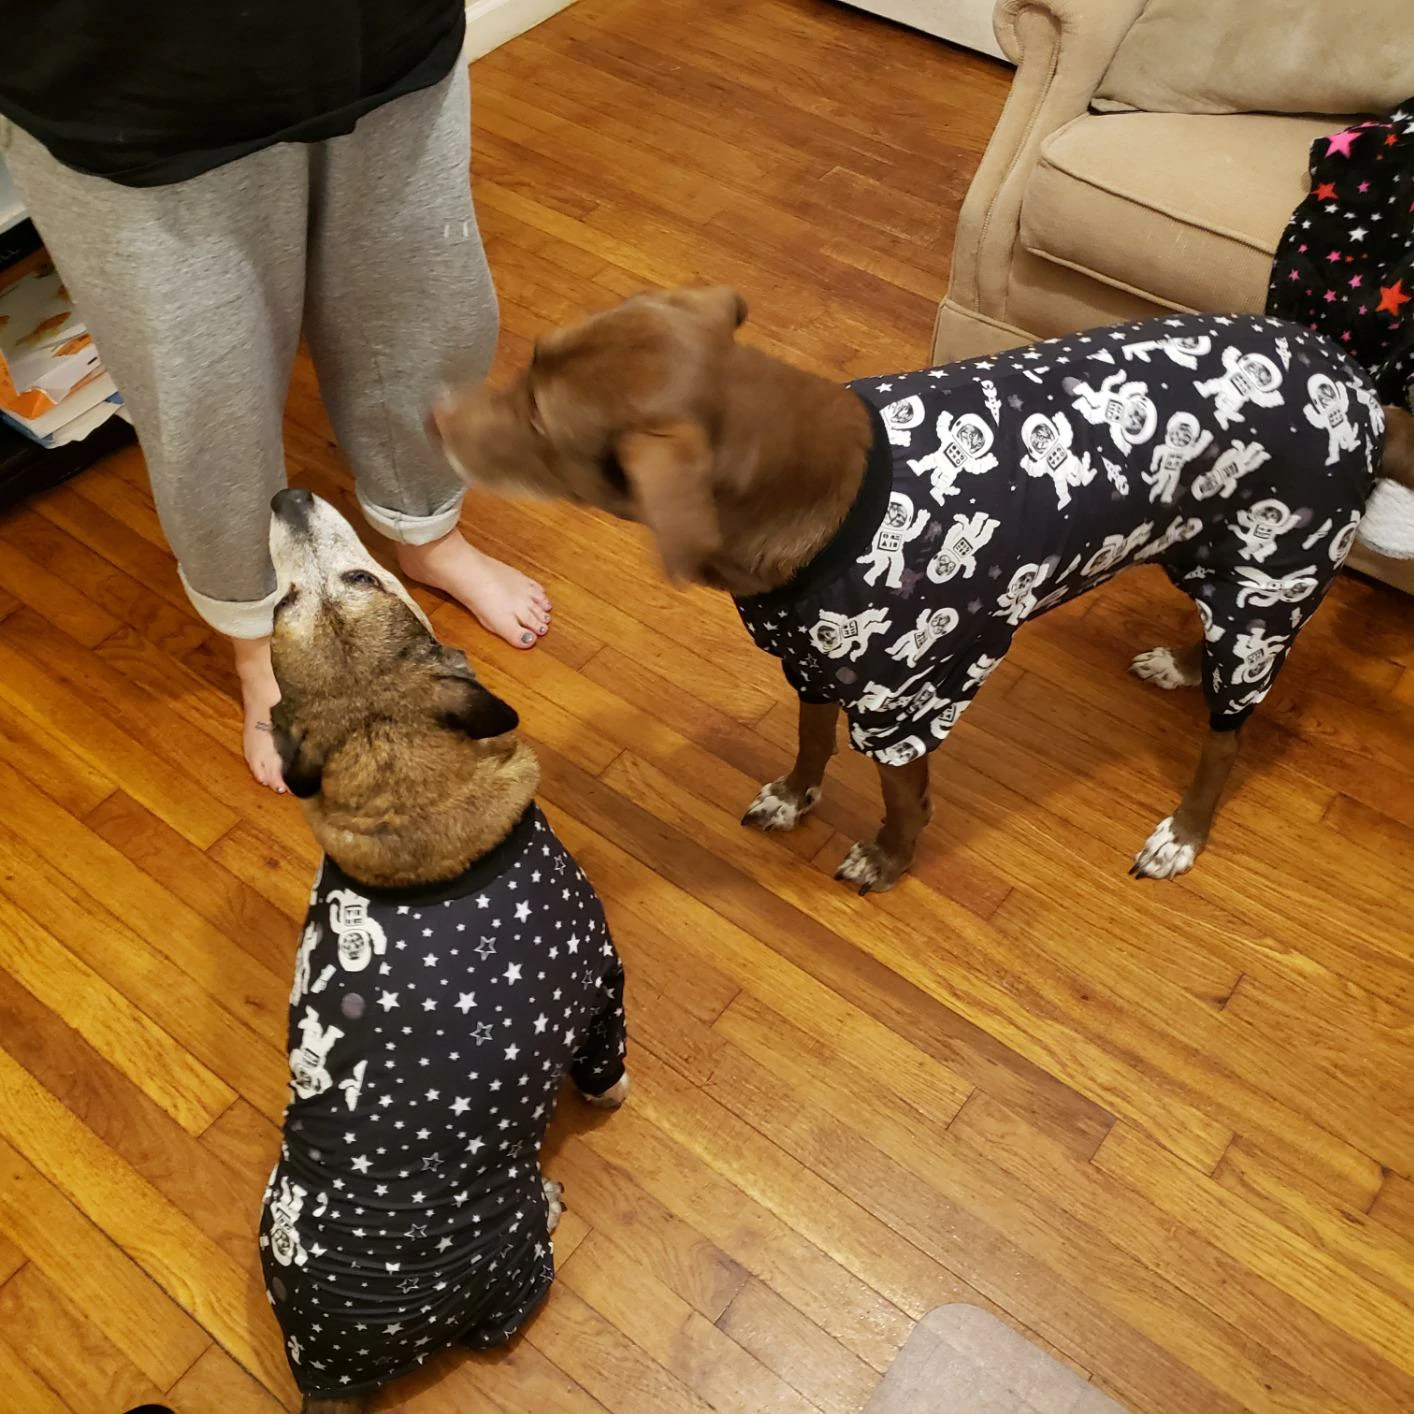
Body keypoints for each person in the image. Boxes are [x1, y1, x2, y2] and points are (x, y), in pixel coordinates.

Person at [0, 0, 549, 790]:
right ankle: (259, 636)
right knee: (206, 393)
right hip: (121, 80)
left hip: (381, 32)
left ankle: (427, 533)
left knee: (422, 316)